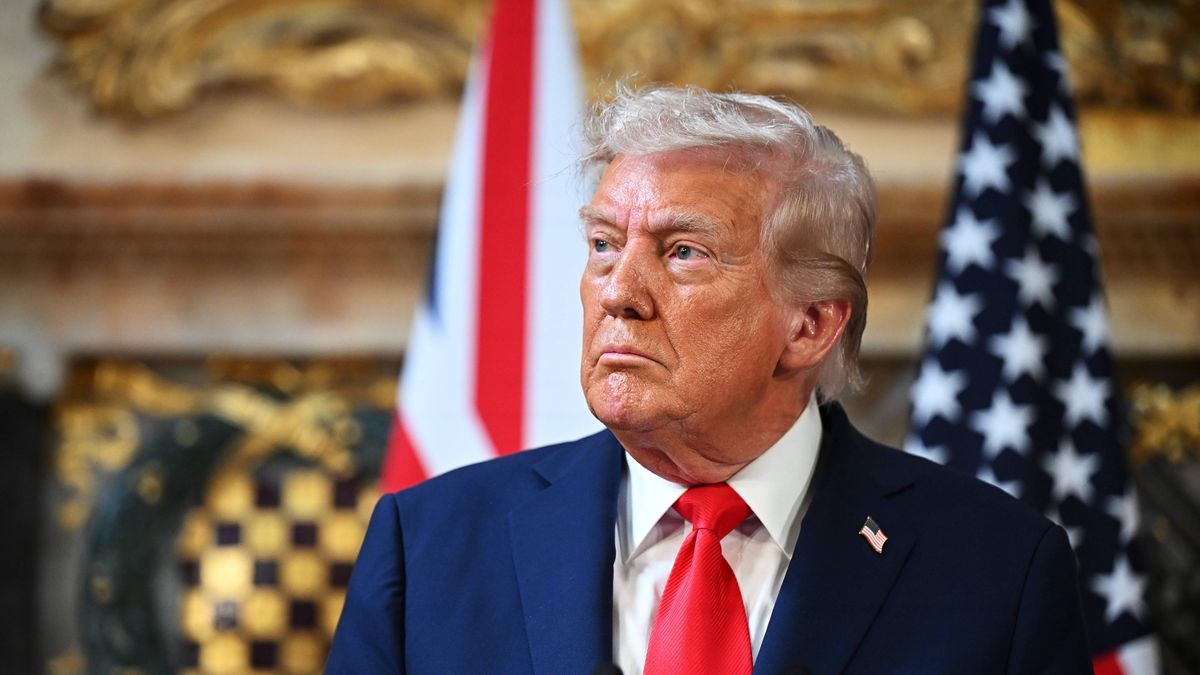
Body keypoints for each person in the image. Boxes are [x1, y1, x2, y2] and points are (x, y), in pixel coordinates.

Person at [327, 86, 1091, 674]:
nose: (617, 291)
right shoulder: (429, 547)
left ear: (811, 324)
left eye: (683, 251)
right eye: (602, 243)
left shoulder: (999, 571)